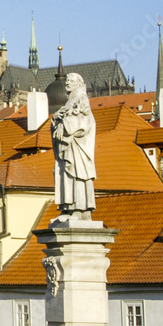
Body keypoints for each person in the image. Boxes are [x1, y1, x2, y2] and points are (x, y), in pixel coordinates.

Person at [51, 72, 97, 219]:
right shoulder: (70, 101)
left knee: (78, 175)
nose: (67, 83)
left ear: (78, 83)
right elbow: (64, 121)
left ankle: (80, 210)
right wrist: (54, 120)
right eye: (67, 81)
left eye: (71, 81)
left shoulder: (81, 99)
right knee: (69, 175)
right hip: (69, 147)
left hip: (78, 147)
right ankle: (68, 208)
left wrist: (63, 126)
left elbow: (82, 122)